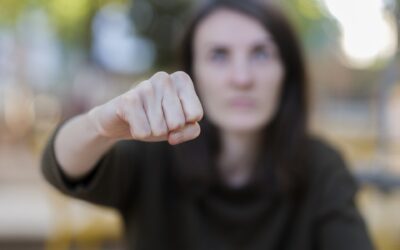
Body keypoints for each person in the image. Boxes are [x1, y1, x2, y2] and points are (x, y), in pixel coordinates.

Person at [41, 0, 375, 249]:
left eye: (261, 54)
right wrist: (101, 125)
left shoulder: (321, 166)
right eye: (219, 55)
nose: (241, 78)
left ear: (286, 73)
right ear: (192, 72)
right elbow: (61, 167)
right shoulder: (154, 156)